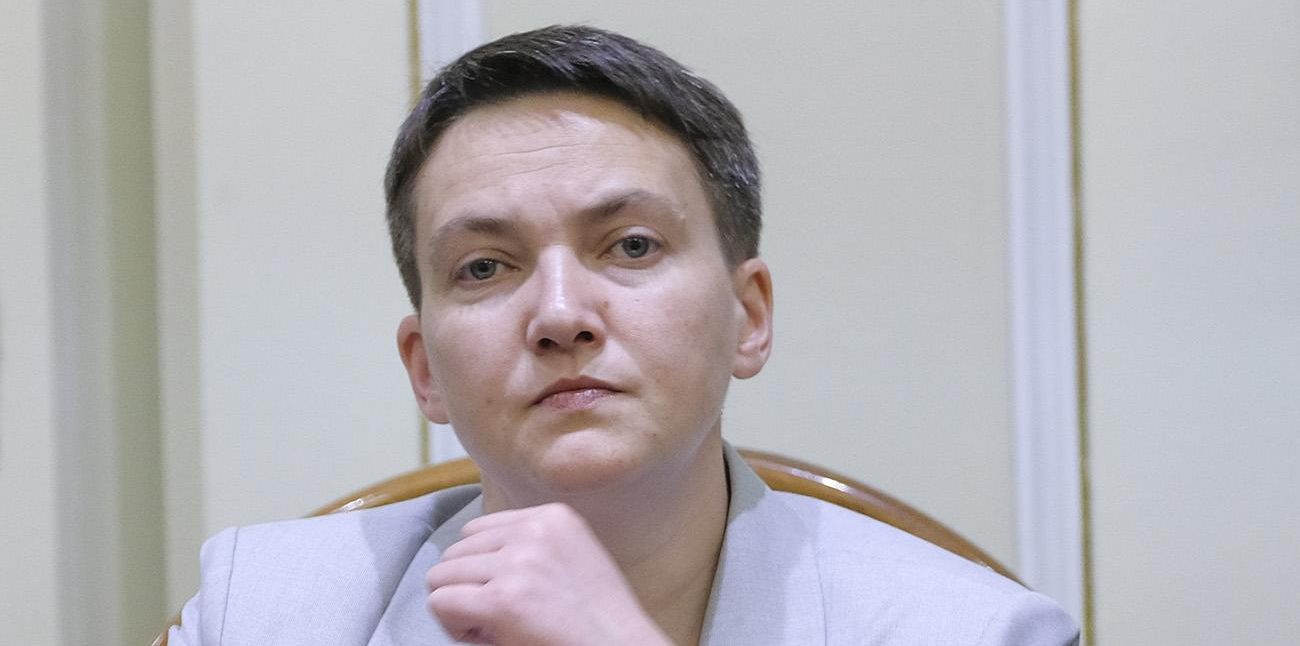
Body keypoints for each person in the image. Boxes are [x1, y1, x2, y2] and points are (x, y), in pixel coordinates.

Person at [168, 25, 1079, 645]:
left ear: (749, 316)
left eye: (631, 246)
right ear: (424, 371)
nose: (560, 315)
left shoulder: (968, 631)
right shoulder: (264, 611)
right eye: (484, 267)